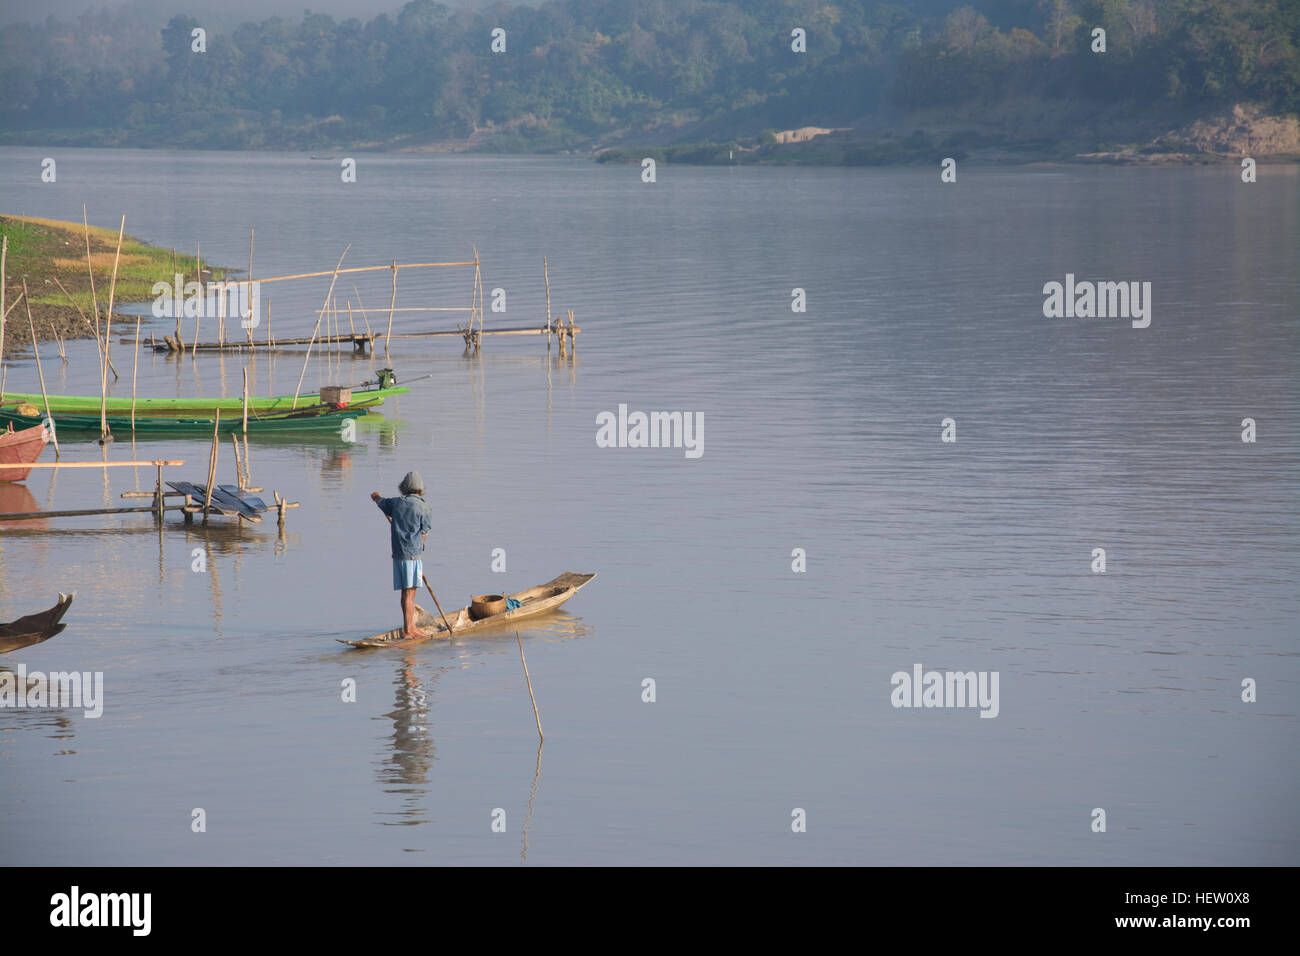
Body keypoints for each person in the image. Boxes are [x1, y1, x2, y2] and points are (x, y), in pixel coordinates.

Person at [371, 471, 433, 638]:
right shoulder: (424, 507)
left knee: (405, 594)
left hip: (398, 554)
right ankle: (409, 630)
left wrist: (376, 496)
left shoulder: (395, 503)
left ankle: (410, 626)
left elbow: (380, 502)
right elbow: (424, 534)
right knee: (410, 594)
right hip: (413, 554)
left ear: (404, 488)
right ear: (420, 489)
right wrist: (420, 549)